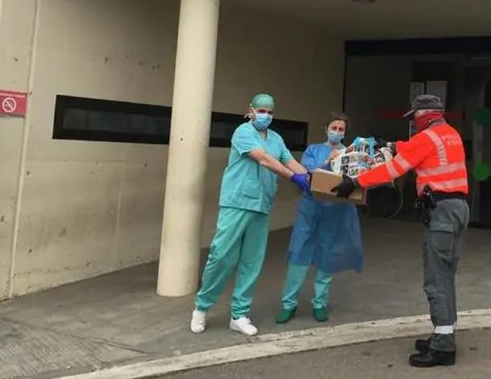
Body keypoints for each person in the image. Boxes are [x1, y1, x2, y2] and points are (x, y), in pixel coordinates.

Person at [332, 95, 469, 369]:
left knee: (436, 280)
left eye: (414, 117)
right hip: (457, 209)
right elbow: (415, 150)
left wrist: (355, 182)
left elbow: (391, 170)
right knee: (446, 276)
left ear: (425, 115)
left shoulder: (426, 138)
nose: (412, 122)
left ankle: (443, 348)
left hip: (441, 212)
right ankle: (444, 333)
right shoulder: (449, 133)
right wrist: (390, 144)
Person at [190, 93, 311, 336]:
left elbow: (290, 162)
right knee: (221, 255)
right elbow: (264, 159)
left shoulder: (276, 138)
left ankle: (239, 314)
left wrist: (312, 178)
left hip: (262, 205)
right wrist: (294, 178)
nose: (266, 115)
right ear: (251, 110)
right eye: (262, 110)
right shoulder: (242, 132)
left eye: (270, 112)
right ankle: (201, 308)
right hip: (237, 201)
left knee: (251, 262)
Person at [276, 113, 363, 324]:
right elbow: (306, 173)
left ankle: (319, 304)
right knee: (299, 254)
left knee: (328, 255)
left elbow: (358, 177)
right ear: (326, 128)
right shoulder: (313, 150)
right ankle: (289, 304)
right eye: (334, 127)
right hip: (311, 208)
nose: (337, 132)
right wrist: (326, 162)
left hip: (337, 210)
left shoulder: (350, 153)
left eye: (341, 129)